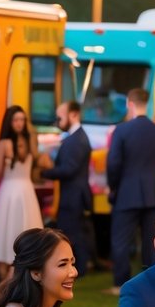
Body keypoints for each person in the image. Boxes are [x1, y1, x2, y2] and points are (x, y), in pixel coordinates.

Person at [106, 88, 155, 291]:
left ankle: (120, 282)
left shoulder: (121, 131)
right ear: (148, 102)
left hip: (127, 190)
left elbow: (113, 163)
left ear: (129, 103)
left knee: (121, 239)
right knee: (154, 239)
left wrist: (113, 186)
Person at [0, 106, 44, 280]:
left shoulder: (5, 144)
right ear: (10, 122)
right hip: (21, 192)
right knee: (11, 232)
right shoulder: (28, 141)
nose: (19, 123)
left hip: (16, 191)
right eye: (16, 120)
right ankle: (16, 281)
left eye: (22, 120)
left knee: (8, 233)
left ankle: (10, 282)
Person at [40, 101, 95, 276]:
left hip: (73, 195)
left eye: (60, 116)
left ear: (73, 115)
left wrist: (45, 172)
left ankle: (81, 269)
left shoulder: (76, 139)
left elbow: (69, 169)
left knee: (73, 234)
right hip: (73, 194)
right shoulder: (76, 137)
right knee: (74, 232)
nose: (58, 121)